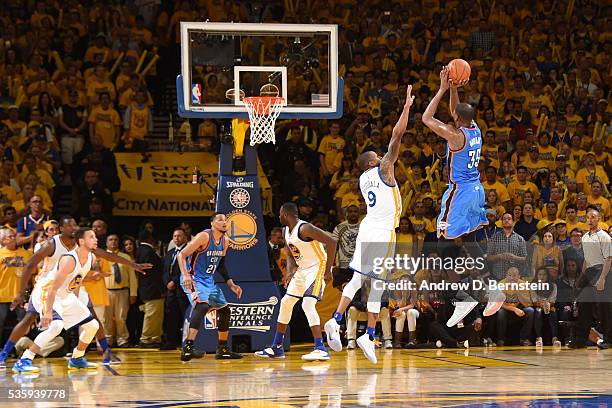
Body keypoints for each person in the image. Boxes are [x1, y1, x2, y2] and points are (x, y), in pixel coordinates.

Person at [324, 86, 414, 364]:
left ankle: (340, 321)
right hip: (383, 232)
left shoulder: (363, 180)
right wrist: (407, 108)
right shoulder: (383, 169)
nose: (383, 157)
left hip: (367, 228)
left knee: (358, 279)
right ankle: (368, 332)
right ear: (374, 162)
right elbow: (397, 136)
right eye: (379, 155)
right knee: (377, 284)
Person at [1, 216, 150, 366]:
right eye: (70, 225)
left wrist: (132, 264)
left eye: (75, 224)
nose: (74, 228)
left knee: (92, 323)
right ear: (62, 229)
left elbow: (106, 256)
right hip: (47, 288)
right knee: (47, 324)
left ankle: (80, 357)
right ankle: (17, 357)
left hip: (67, 290)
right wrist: (22, 293)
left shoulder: (88, 254)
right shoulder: (55, 247)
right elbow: (32, 267)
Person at [421, 66, 501, 323]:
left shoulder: (455, 136)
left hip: (461, 191)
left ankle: (463, 295)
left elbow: (426, 118)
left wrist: (443, 88)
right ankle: (489, 287)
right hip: (476, 189)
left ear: (456, 118)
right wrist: (455, 87)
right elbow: (456, 111)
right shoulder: (474, 128)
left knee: (443, 235)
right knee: (465, 238)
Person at [255, 202, 337, 361]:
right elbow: (290, 254)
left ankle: (320, 347)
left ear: (286, 215)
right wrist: (290, 272)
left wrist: (328, 270)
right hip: (302, 270)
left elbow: (332, 242)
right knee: (286, 302)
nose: (278, 217)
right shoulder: (286, 231)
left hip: (317, 267)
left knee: (307, 304)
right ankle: (277, 347)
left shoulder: (305, 228)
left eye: (280, 214)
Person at [12, 228, 100, 373]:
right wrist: (47, 312)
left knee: (92, 325)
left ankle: (77, 359)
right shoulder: (69, 260)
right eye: (91, 237)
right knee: (56, 326)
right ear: (82, 241)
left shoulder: (91, 258)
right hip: (46, 292)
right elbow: (52, 288)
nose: (96, 239)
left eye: (95, 237)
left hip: (65, 295)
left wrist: (75, 304)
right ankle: (24, 360)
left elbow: (76, 282)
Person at [177, 213, 244, 361]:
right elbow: (181, 255)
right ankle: (188, 348)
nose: (224, 222)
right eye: (220, 220)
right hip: (193, 278)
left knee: (225, 310)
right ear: (212, 224)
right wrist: (186, 275)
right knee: (202, 307)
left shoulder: (225, 241)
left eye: (226, 220)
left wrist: (230, 283)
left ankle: (222, 349)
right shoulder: (204, 236)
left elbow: (220, 265)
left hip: (208, 280)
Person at [570, 208, 611, 349]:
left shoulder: (604, 237)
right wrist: (582, 277)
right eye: (588, 217)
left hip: (602, 271)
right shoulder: (585, 237)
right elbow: (586, 260)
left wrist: (603, 279)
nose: (590, 219)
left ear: (599, 219)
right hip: (589, 272)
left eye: (593, 217)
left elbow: (609, 258)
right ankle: (581, 340)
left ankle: (608, 339)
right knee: (584, 307)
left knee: (604, 309)